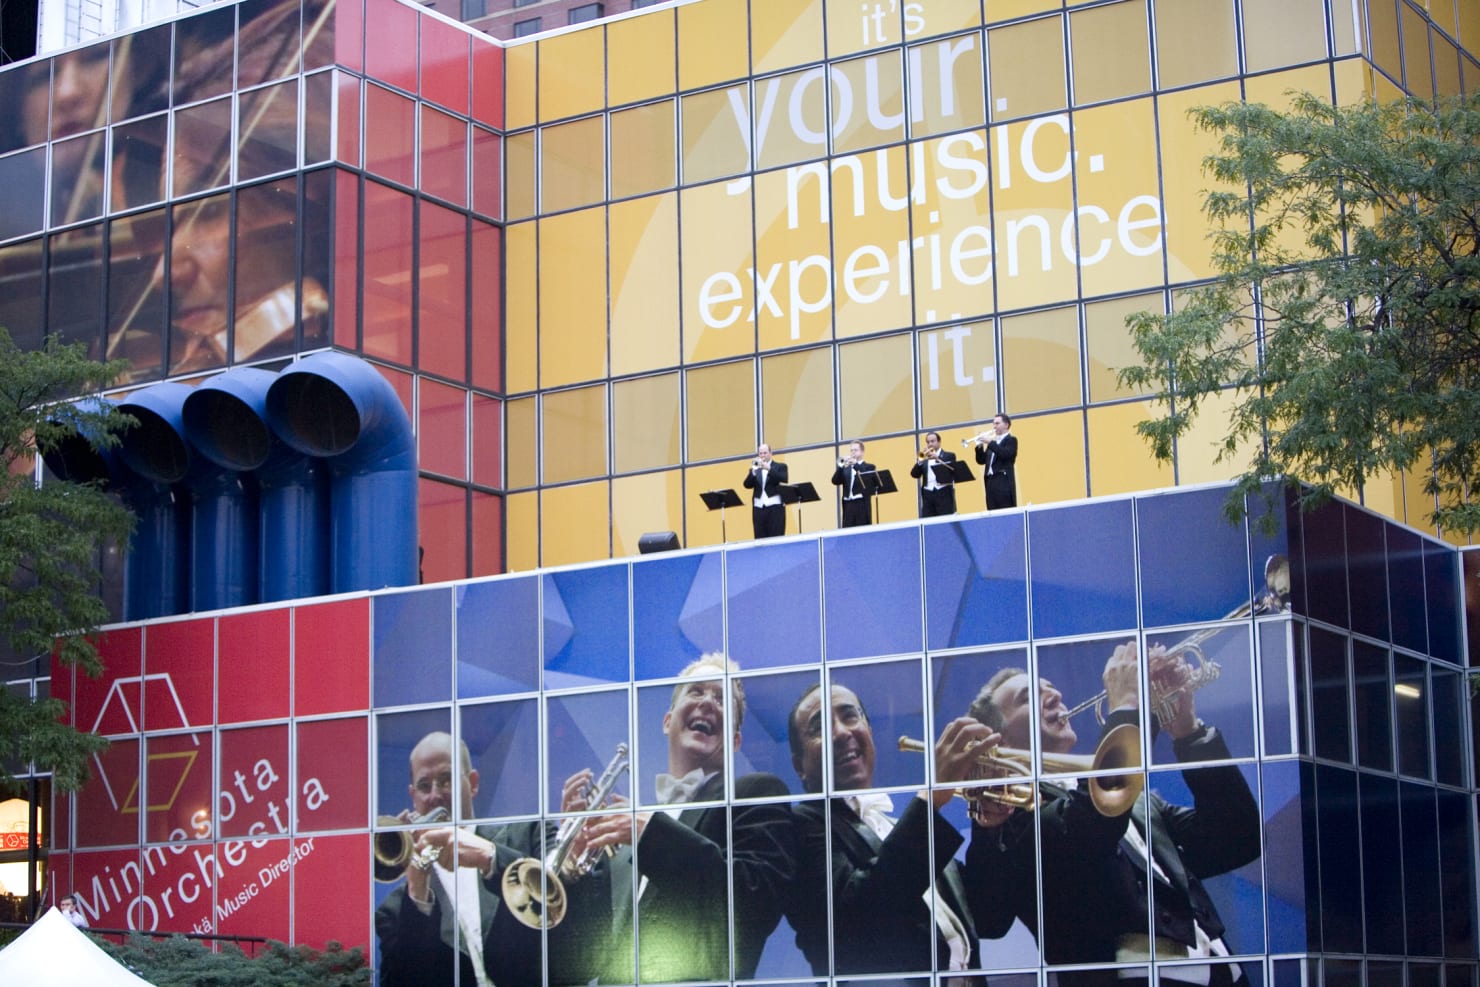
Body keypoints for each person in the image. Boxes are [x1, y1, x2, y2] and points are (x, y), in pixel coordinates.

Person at [964, 643, 1260, 986]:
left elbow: (1238, 838)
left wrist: (1188, 732)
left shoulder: (1138, 800)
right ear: (999, 740)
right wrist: (1127, 709)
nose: (1054, 694)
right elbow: (1090, 827)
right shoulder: (1006, 813)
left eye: (1050, 686)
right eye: (1028, 696)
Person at [577, 654, 794, 982]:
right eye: (696, 692)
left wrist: (651, 835)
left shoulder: (758, 792)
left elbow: (754, 902)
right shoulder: (626, 845)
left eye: (721, 698)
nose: (708, 701)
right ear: (667, 721)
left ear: (736, 741)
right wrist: (570, 868)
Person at [785, 681, 989, 979]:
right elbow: (857, 920)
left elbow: (992, 917)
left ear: (869, 733)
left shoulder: (899, 829)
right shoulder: (799, 827)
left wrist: (990, 826)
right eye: (819, 727)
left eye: (850, 715)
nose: (841, 732)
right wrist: (930, 800)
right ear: (799, 766)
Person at [375, 731, 573, 987]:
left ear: (474, 782)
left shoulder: (529, 833)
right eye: (424, 786)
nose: (435, 795)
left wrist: (489, 857)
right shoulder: (393, 910)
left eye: (446, 780)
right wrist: (417, 894)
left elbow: (565, 906)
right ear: (413, 796)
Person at [743, 443, 788, 539]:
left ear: (771, 453)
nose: (762, 455)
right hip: (759, 508)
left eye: (765, 453)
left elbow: (783, 478)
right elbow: (746, 485)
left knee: (776, 537)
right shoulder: (755, 469)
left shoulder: (780, 466)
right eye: (760, 453)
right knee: (760, 537)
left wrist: (769, 469)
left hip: (775, 507)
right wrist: (753, 472)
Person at [973, 413, 1017, 510]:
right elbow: (981, 460)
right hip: (990, 482)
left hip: (1003, 481)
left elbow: (1005, 454)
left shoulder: (1011, 440)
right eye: (994, 424)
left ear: (1006, 425)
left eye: (997, 423)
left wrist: (990, 442)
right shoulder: (993, 443)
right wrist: (979, 446)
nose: (994, 426)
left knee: (1005, 511)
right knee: (992, 511)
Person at [909, 430, 958, 517]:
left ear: (939, 442)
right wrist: (920, 461)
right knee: (928, 522)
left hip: (943, 494)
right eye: (928, 442)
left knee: (945, 521)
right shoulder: (924, 458)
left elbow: (952, 469)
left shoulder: (949, 455)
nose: (930, 444)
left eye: (932, 441)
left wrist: (937, 458)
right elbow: (914, 474)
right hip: (928, 494)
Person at [830, 440, 876, 528]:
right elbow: (835, 481)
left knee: (863, 531)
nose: (853, 452)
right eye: (851, 450)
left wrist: (855, 465)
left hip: (861, 504)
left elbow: (867, 478)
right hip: (848, 505)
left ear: (862, 452)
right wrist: (840, 467)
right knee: (848, 531)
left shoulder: (869, 466)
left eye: (856, 450)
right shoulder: (846, 469)